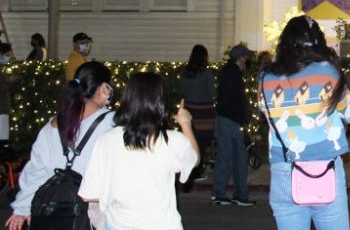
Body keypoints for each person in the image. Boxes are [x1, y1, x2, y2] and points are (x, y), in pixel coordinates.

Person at [259, 14, 350, 229]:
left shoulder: (266, 76)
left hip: (285, 168)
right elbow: (349, 113)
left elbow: (265, 112)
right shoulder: (329, 71)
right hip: (326, 167)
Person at [79, 72, 199, 230]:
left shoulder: (106, 140)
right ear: (161, 103)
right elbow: (194, 158)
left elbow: (89, 194)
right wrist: (185, 123)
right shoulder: (172, 140)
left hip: (116, 225)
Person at [6, 61, 116, 230]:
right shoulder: (114, 124)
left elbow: (35, 171)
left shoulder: (53, 125)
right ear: (102, 88)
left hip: (53, 214)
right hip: (94, 216)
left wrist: (22, 208)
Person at [212, 43, 254, 206]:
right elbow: (233, 100)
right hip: (231, 120)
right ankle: (233, 193)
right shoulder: (233, 74)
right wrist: (242, 118)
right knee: (233, 157)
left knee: (232, 156)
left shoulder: (229, 72)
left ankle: (228, 193)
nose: (248, 60)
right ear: (241, 58)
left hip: (228, 119)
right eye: (246, 57)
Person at [180, 44, 215, 184]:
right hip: (204, 113)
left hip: (190, 111)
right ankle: (197, 170)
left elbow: (182, 90)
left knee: (190, 141)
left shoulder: (185, 72)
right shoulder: (207, 73)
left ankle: (190, 170)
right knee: (201, 142)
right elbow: (212, 93)